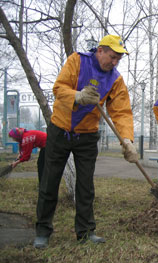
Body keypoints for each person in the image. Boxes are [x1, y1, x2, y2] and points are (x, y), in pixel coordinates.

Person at [33, 35, 138, 249]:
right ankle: (43, 231)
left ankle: (86, 232)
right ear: (100, 51)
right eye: (112, 57)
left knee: (85, 186)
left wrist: (127, 139)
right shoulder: (77, 61)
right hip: (60, 130)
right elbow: (59, 88)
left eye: (119, 59)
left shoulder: (115, 79)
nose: (115, 62)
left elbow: (122, 111)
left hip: (87, 136)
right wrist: (78, 96)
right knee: (49, 181)